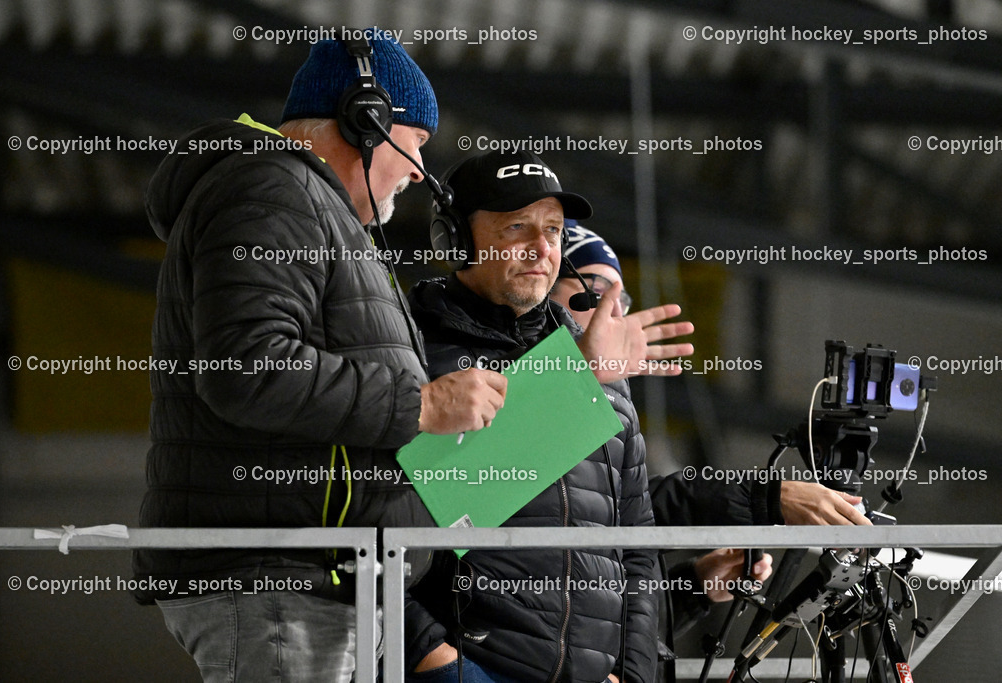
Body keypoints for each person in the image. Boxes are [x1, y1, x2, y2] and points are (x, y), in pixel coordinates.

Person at [133, 36, 512, 682]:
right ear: (364, 121)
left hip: (310, 582)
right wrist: (422, 405)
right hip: (278, 583)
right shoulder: (272, 190)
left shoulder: (311, 210)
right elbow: (246, 369)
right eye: (414, 142)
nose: (421, 170)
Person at [404, 150, 695, 683]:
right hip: (468, 667)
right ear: (455, 240)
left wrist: (631, 672)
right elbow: (381, 514)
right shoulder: (409, 349)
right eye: (517, 227)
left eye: (554, 231)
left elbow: (636, 541)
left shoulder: (599, 371)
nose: (542, 249)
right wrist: (431, 656)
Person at [550, 224, 872, 680]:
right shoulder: (506, 400)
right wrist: (767, 498)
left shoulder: (609, 406)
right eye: (592, 292)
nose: (611, 313)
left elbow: (613, 590)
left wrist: (693, 587)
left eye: (621, 302)